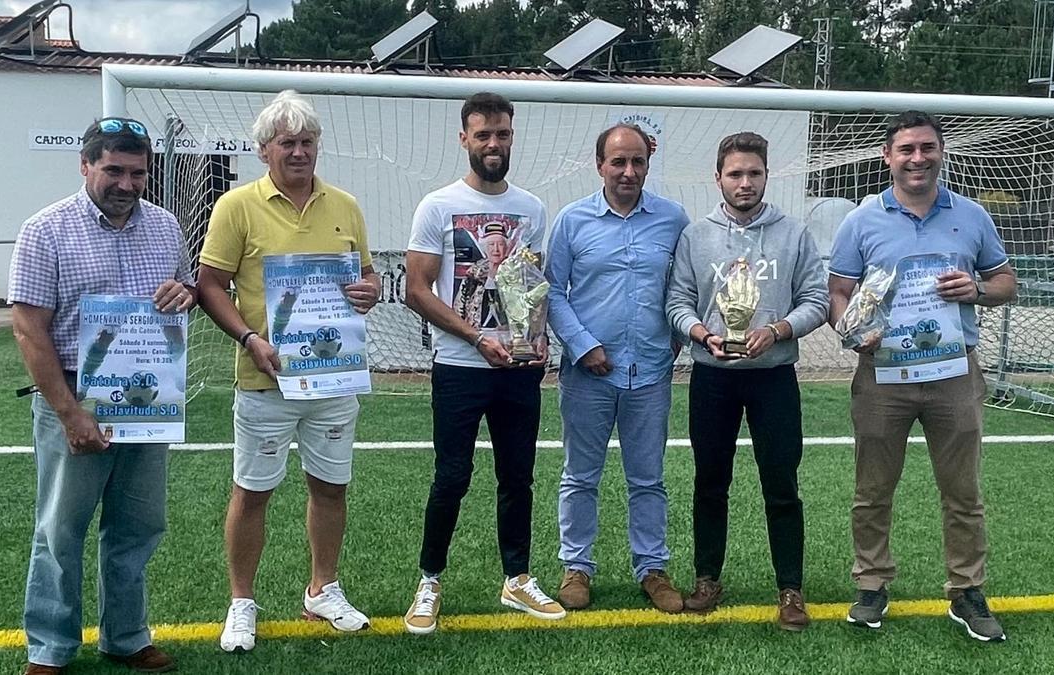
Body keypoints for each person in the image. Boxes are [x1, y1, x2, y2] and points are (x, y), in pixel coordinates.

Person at [196, 90, 382, 653]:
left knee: (331, 488)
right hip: (264, 379)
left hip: (332, 378)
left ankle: (322, 589)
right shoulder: (236, 206)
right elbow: (209, 285)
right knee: (252, 491)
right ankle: (241, 603)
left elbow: (367, 278)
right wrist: (251, 338)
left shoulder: (345, 205)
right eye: (288, 144)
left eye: (308, 142)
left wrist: (369, 292)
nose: (299, 153)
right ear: (264, 151)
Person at [10, 117, 193, 674]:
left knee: (138, 526)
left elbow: (187, 292)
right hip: (75, 395)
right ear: (85, 165)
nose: (127, 183)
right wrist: (69, 412)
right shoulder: (46, 230)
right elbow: (28, 328)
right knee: (60, 530)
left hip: (146, 401)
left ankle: (126, 636)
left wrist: (183, 293)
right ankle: (50, 646)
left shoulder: (165, 228)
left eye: (137, 172)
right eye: (113, 170)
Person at [827, 110, 1018, 642]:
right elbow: (838, 293)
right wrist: (850, 330)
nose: (917, 158)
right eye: (906, 149)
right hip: (882, 372)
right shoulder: (861, 220)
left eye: (927, 148)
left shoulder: (972, 216)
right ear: (888, 156)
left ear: (940, 153)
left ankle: (966, 590)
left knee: (963, 491)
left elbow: (1006, 281)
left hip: (954, 373)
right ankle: (871, 582)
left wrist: (975, 291)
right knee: (872, 488)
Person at [403, 92, 564, 635]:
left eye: (502, 134)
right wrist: (476, 338)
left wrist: (536, 339)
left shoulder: (532, 207)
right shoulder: (438, 205)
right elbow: (416, 290)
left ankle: (517, 578)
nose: (492, 143)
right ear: (464, 138)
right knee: (451, 477)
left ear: (512, 137)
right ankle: (429, 580)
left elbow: (531, 287)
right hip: (460, 365)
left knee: (518, 477)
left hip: (519, 367)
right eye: (482, 134)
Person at [665, 132, 828, 629]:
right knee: (710, 483)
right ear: (719, 178)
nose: (745, 182)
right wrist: (700, 334)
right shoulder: (696, 235)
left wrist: (777, 330)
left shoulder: (793, 233)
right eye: (735, 174)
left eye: (753, 173)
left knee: (782, 485)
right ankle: (707, 578)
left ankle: (791, 589)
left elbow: (817, 300)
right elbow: (677, 301)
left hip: (773, 377)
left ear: (766, 176)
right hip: (713, 377)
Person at [546, 123, 689, 613]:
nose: (628, 172)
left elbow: (683, 287)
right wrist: (583, 346)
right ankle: (577, 568)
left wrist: (674, 339)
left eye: (637, 162)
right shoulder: (571, 221)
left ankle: (652, 568)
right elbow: (552, 292)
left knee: (648, 478)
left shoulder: (673, 220)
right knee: (580, 476)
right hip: (588, 375)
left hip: (650, 374)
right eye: (618, 162)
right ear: (599, 164)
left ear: (648, 164)